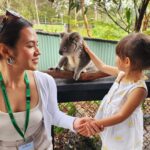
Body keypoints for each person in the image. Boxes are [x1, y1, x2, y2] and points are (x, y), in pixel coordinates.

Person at [0, 9, 102, 150]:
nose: (38, 51)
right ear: (5, 51)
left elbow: (53, 114)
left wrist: (75, 122)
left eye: (38, 44)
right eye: (30, 46)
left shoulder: (44, 81)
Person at [77, 33, 150, 150]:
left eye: (117, 56)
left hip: (124, 134)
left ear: (127, 62)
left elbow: (121, 116)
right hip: (112, 129)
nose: (115, 58)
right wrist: (88, 51)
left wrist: (95, 123)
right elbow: (102, 66)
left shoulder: (138, 89)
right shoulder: (121, 74)